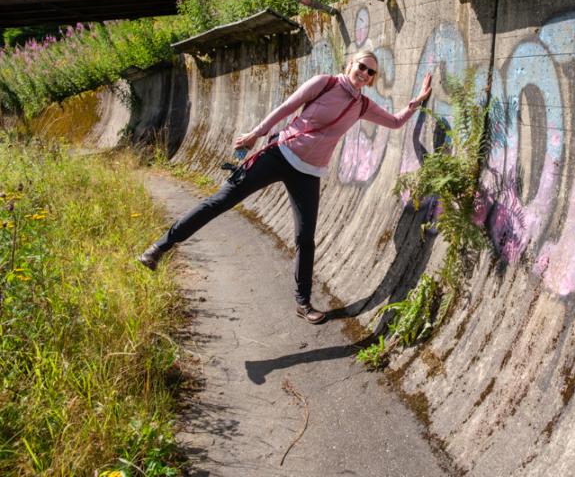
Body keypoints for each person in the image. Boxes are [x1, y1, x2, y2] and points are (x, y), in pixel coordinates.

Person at [139, 50, 432, 324]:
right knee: (221, 201)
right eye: (362, 66)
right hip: (279, 154)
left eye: (371, 72)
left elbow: (394, 123)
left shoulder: (362, 106)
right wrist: (256, 133)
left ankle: (303, 303)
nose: (365, 73)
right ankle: (160, 246)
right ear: (350, 64)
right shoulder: (325, 83)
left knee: (306, 237)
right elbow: (286, 108)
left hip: (308, 173)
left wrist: (416, 102)